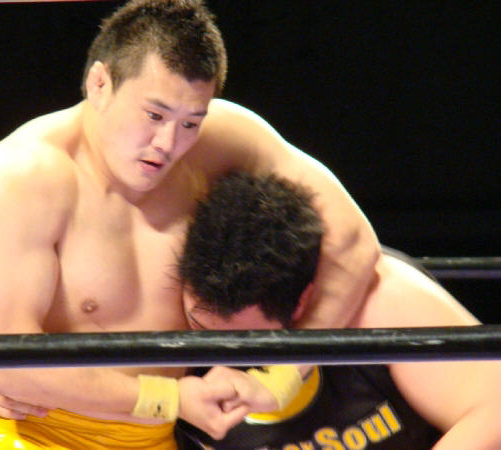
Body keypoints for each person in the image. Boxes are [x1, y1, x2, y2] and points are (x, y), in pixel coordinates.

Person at [0, 0, 380, 448]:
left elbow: (353, 240)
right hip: (34, 434)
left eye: (191, 123)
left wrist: (283, 375)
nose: (167, 143)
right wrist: (170, 398)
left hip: (158, 436)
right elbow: (4, 361)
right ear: (99, 83)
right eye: (154, 115)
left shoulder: (224, 140)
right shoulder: (24, 175)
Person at [175, 171, 501, 449]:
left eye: (245, 340)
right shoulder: (168, 316)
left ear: (302, 302)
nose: (222, 356)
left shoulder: (380, 297)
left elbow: (494, 410)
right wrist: (170, 399)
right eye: (201, 327)